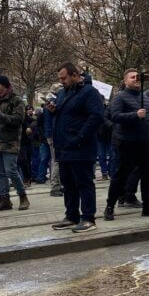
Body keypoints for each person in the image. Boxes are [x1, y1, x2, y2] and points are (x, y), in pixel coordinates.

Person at [48, 64, 105, 232]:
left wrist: (80, 137)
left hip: (81, 148)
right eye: (60, 79)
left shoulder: (89, 92)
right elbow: (66, 115)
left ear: (74, 75)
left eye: (64, 78)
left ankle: (88, 218)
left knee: (84, 183)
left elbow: (96, 117)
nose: (61, 82)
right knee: (68, 184)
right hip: (64, 147)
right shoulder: (63, 93)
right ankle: (71, 216)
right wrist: (53, 111)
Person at [104, 69, 149, 220]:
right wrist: (134, 115)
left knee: (148, 175)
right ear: (125, 81)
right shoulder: (119, 97)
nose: (136, 79)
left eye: (138, 77)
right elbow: (115, 116)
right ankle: (110, 206)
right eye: (132, 77)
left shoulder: (146, 98)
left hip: (145, 142)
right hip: (127, 142)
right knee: (121, 175)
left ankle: (147, 206)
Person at [0, 75, 29, 212]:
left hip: (10, 141)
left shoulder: (16, 101)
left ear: (4, 85)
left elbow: (18, 120)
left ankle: (23, 196)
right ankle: (4, 200)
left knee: (11, 170)